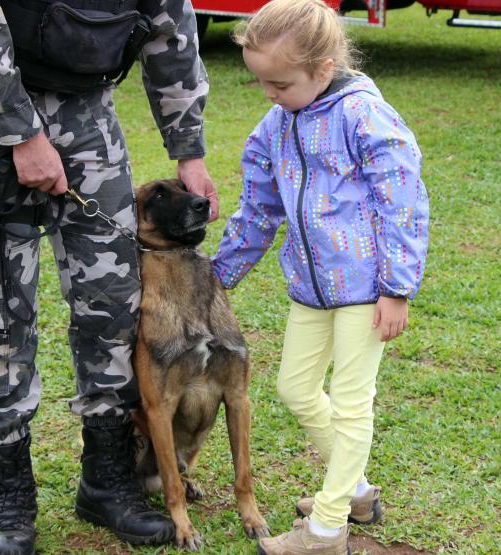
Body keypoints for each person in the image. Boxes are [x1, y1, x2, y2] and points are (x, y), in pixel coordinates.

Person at [0, 0, 218, 553]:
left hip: (86, 107)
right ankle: (10, 495)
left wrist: (188, 148)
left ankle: (108, 480)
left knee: (116, 304)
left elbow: (169, 21)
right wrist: (21, 133)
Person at [210, 1, 429, 553]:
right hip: (310, 288)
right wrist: (216, 278)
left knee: (353, 404)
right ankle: (356, 491)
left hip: (367, 288)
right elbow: (258, 210)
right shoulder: (275, 125)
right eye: (261, 82)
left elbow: (403, 202)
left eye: (280, 83)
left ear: (324, 68)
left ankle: (328, 529)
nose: (269, 94)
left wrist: (396, 288)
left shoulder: (365, 116)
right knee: (296, 388)